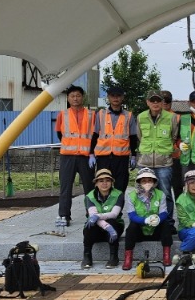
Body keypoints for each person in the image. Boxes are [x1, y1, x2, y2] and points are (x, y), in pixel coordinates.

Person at [136, 90, 180, 230]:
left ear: (162, 102)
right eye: (152, 100)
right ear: (147, 102)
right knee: (144, 193)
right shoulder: (141, 117)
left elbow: (174, 136)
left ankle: (168, 224)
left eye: (158, 100)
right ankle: (145, 222)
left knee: (165, 193)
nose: (155, 103)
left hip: (164, 163)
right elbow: (139, 136)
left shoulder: (171, 117)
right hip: (145, 162)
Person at [56, 85, 96, 226]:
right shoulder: (63, 114)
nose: (75, 98)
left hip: (86, 157)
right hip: (68, 156)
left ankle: (91, 214)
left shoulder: (92, 114)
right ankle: (64, 215)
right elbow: (60, 134)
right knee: (65, 187)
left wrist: (92, 153)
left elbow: (95, 135)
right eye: (72, 96)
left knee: (89, 187)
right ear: (68, 98)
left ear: (82, 97)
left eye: (78, 95)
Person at [122, 168, 173, 270]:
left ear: (154, 182)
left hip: (155, 229)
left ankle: (166, 256)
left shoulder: (160, 194)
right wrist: (144, 220)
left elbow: (164, 212)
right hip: (140, 230)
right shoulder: (131, 196)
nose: (147, 183)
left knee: (166, 225)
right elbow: (132, 215)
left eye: (150, 180)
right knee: (131, 227)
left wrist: (158, 218)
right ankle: (128, 258)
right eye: (144, 181)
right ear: (139, 182)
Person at [92, 85, 138, 193]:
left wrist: (134, 156)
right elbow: (95, 135)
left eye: (118, 96)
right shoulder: (100, 114)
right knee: (103, 185)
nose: (115, 98)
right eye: (113, 96)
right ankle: (104, 209)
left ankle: (118, 209)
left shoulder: (129, 116)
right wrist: (91, 154)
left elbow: (133, 137)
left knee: (121, 185)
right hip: (103, 157)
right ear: (108, 97)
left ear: (122, 98)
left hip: (121, 158)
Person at [82, 169, 124, 269]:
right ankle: (87, 256)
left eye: (107, 180)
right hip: (99, 228)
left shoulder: (119, 194)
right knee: (89, 225)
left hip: (115, 226)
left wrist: (99, 217)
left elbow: (114, 214)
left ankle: (114, 257)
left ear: (112, 183)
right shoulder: (89, 196)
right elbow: (92, 215)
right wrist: (107, 226)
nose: (104, 183)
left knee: (111, 221)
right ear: (96, 183)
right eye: (101, 181)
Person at [161, 90, 184, 200]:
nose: (165, 102)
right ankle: (164, 215)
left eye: (168, 100)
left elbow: (181, 138)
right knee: (162, 189)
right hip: (160, 157)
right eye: (163, 100)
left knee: (178, 187)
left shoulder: (178, 117)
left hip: (175, 157)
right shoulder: (153, 116)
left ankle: (180, 214)